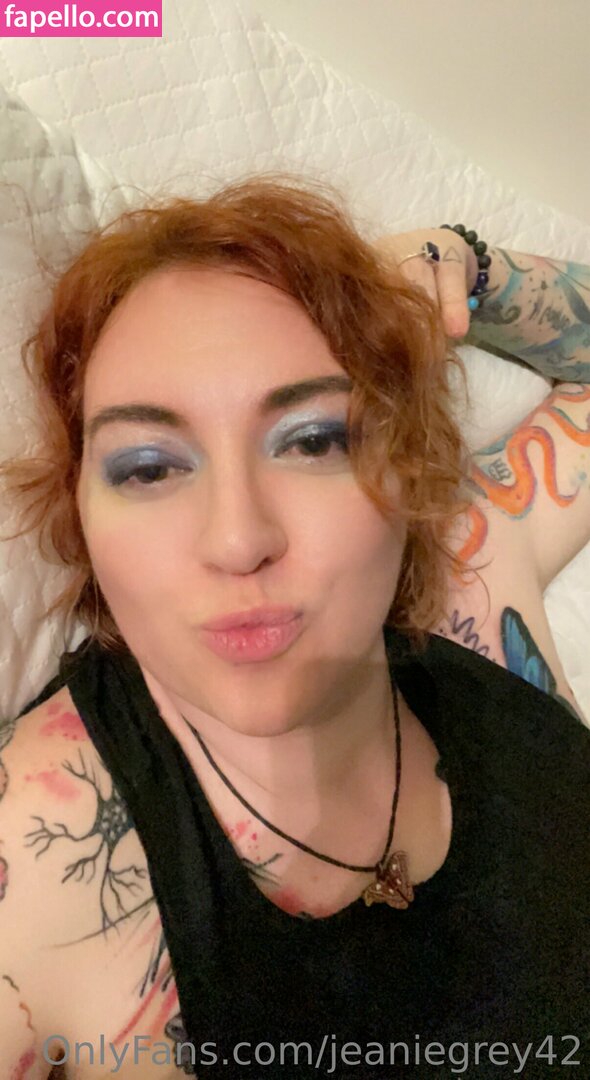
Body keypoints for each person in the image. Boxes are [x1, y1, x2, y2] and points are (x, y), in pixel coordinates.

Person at [0, 176, 588, 1080]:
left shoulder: (471, 579)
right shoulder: (35, 859)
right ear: (79, 514)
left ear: (409, 466)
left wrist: (469, 272)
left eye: (314, 441)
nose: (239, 541)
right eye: (149, 467)